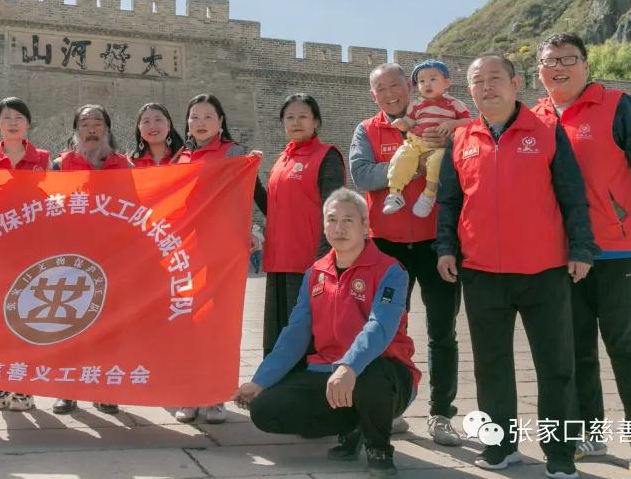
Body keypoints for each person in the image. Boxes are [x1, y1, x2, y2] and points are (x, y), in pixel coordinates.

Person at [435, 55, 597, 479]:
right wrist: (445, 248)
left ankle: (559, 453)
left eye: (495, 78)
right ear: (470, 90)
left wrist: (582, 248)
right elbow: (449, 201)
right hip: (482, 272)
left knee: (556, 366)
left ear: (515, 83)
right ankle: (500, 446)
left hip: (544, 271)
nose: (486, 87)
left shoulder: (546, 131)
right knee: (490, 366)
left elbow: (572, 194)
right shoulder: (461, 138)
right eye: (477, 81)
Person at [532, 33, 631, 477]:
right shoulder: (535, 117)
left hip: (618, 251)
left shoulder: (617, 106)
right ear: (539, 72)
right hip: (561, 256)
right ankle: (587, 432)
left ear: (586, 65)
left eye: (568, 59)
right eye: (550, 61)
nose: (559, 67)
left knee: (628, 348)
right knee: (574, 350)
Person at [232, 188, 419, 478]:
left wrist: (349, 366)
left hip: (385, 373)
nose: (339, 228)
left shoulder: (391, 271)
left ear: (365, 226)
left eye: (348, 220)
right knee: (265, 409)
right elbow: (295, 334)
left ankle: (379, 447)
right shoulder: (316, 273)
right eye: (332, 220)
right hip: (327, 371)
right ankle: (352, 425)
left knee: (370, 375)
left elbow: (380, 327)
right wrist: (260, 381)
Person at [349, 62, 462, 446]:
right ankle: (389, 406)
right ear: (373, 95)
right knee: (386, 328)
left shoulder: (440, 120)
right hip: (386, 247)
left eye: (395, 85)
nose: (390, 94)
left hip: (437, 244)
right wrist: (411, 168)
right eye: (381, 89)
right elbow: (362, 175)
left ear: (409, 87)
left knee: (442, 331)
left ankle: (441, 413)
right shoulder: (367, 130)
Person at [172, 93, 265, 425]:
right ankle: (189, 394)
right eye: (194, 117)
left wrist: (253, 229)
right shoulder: (181, 157)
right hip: (187, 253)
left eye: (208, 116)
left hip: (223, 251)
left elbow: (251, 194)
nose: (200, 123)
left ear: (221, 121)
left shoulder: (234, 153)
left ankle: (215, 396)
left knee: (219, 324)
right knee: (188, 324)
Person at [51, 104, 130, 415]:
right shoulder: (60, 166)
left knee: (108, 327)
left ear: (107, 129)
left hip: (112, 260)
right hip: (70, 260)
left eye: (98, 122)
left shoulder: (124, 166)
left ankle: (105, 388)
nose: (92, 128)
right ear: (76, 131)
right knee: (68, 324)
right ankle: (66, 389)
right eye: (85, 123)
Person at [0, 96, 50, 412]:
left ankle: (24, 388)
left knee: (28, 319)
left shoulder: (44, 159)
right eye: (6, 117)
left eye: (18, 117)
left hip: (33, 249)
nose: (12, 123)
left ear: (28, 123)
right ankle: (0, 386)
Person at [262, 93, 345, 356]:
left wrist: (323, 261)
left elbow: (334, 211)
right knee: (278, 338)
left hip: (308, 263)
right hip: (278, 261)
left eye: (302, 117)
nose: (295, 122)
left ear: (315, 121)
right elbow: (272, 210)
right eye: (289, 117)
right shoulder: (282, 160)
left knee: (304, 339)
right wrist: (251, 182)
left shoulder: (326, 156)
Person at [382, 60, 471, 217]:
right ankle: (395, 193)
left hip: (439, 147)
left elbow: (469, 121)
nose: (427, 84)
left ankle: (428, 196)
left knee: (438, 163)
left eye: (433, 79)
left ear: (447, 82)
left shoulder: (454, 104)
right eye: (422, 81)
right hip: (416, 142)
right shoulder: (416, 104)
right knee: (401, 156)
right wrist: (402, 123)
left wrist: (452, 124)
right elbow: (410, 121)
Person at [130, 102, 184, 167]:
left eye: (158, 120)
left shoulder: (185, 158)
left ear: (168, 123)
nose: (152, 126)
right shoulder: (130, 163)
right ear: (139, 128)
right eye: (146, 121)